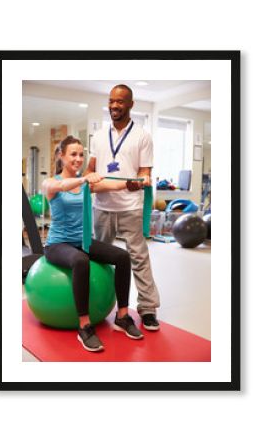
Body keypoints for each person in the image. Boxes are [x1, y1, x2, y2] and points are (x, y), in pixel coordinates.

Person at [42, 135, 144, 353]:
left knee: (122, 256)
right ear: (61, 156)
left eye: (81, 154)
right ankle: (85, 326)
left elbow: (111, 184)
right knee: (81, 261)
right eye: (73, 154)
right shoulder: (50, 183)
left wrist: (132, 183)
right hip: (57, 244)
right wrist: (84, 179)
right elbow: (61, 185)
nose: (78, 159)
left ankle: (123, 317)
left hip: (83, 241)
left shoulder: (86, 185)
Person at [85, 84, 160, 331]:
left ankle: (148, 309)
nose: (114, 106)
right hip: (102, 207)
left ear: (130, 104)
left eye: (120, 101)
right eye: (111, 101)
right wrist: (88, 179)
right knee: (98, 258)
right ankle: (97, 304)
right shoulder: (98, 136)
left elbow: (144, 171)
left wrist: (142, 181)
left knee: (139, 258)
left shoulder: (142, 135)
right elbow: (91, 170)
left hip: (130, 207)